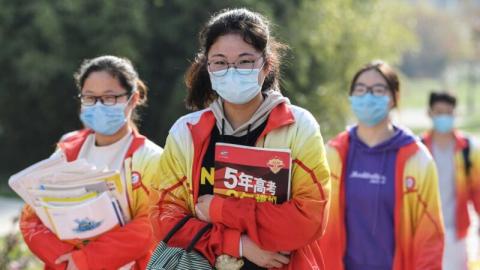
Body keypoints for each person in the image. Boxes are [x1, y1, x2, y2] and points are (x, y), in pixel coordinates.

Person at [149, 8, 331, 270]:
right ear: (208, 67)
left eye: (245, 61)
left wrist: (221, 210)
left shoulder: (297, 127)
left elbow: (309, 218)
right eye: (220, 62)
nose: (232, 71)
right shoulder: (186, 132)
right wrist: (238, 244)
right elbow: (164, 217)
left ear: (265, 65)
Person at [20, 55, 163, 270]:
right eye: (89, 97)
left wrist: (87, 260)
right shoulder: (67, 147)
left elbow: (150, 226)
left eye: (109, 98)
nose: (98, 105)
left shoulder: (149, 158)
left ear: (133, 99)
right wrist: (66, 261)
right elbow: (31, 215)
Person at [320, 60, 444, 270]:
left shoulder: (417, 160)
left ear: (394, 98)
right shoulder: (332, 153)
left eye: (378, 90)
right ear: (351, 97)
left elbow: (429, 235)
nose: (368, 97)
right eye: (360, 90)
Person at [421, 91, 480, 270]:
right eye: (439, 112)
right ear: (430, 113)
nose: (444, 117)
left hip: (457, 233)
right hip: (424, 232)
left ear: (455, 114)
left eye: (448, 112)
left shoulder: (467, 148)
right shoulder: (418, 148)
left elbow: (477, 191)